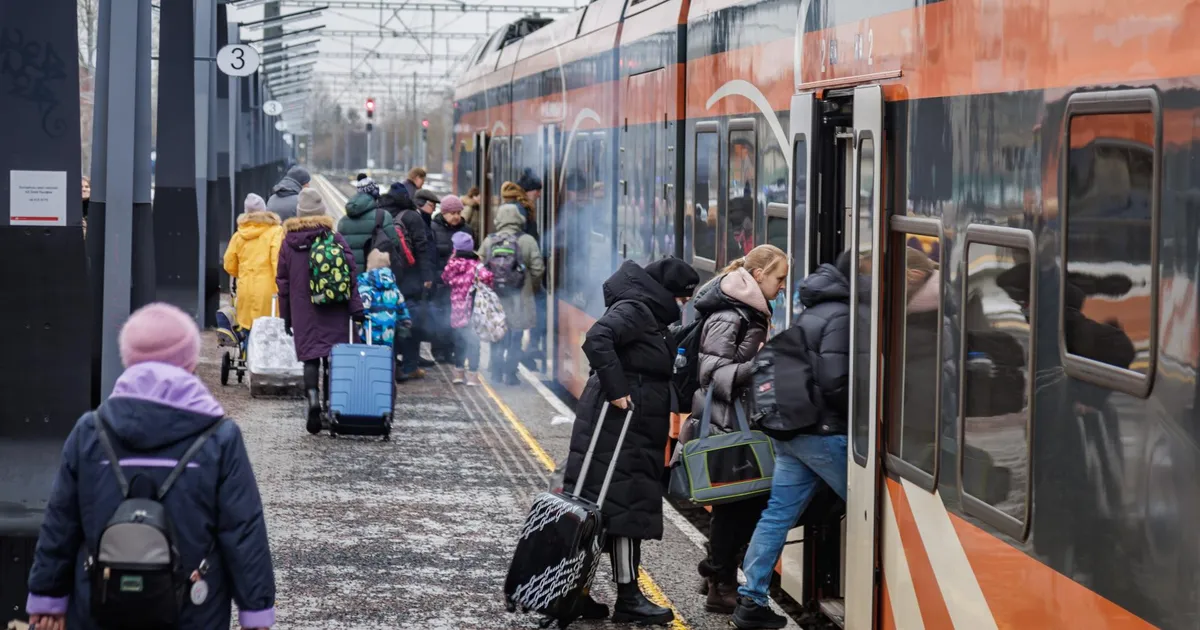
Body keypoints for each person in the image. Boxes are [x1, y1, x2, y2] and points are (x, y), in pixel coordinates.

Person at [25, 303, 276, 630]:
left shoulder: (91, 431)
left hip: (99, 608)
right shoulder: (219, 438)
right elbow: (243, 530)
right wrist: (255, 611)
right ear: (190, 361)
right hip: (192, 611)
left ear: (128, 358)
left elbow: (61, 523)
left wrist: (48, 597)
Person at [560, 257, 699, 624]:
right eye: (683, 298)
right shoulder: (637, 309)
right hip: (620, 423)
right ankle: (629, 597)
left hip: (628, 423)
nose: (683, 305)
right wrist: (618, 390)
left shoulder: (644, 310)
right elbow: (598, 339)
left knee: (605, 508)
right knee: (624, 508)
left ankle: (577, 592)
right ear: (670, 293)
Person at [732, 252, 854, 630]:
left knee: (777, 516)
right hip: (822, 433)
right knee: (875, 512)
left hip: (793, 432)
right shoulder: (843, 315)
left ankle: (750, 600)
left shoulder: (814, 309)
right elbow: (836, 382)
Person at [687, 244, 787, 613]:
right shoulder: (732, 316)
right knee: (738, 503)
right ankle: (720, 582)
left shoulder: (751, 310)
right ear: (758, 276)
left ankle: (717, 569)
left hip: (736, 419)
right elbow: (711, 373)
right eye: (779, 278)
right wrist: (764, 365)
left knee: (743, 502)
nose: (782, 286)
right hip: (725, 423)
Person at [276, 188, 364, 434]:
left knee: (311, 358)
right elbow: (351, 276)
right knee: (334, 358)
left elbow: (282, 283)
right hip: (334, 307)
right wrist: (356, 309)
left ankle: (313, 400)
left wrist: (287, 317)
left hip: (303, 310)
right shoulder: (334, 238)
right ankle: (331, 407)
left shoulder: (288, 243)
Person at [479, 202, 545, 385]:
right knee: (516, 336)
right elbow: (538, 269)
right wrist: (531, 287)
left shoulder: (490, 240)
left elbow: (479, 267)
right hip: (519, 299)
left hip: (495, 299)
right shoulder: (527, 240)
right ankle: (511, 374)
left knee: (497, 334)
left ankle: (496, 371)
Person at [380, 182, 435, 378]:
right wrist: (427, 276)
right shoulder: (412, 216)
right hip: (410, 277)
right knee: (412, 321)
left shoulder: (381, 213)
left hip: (387, 274)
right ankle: (410, 366)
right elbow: (422, 248)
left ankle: (392, 365)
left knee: (388, 321)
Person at [222, 193, 283, 330]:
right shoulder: (275, 232)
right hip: (268, 292)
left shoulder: (239, 235)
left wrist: (243, 273)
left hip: (245, 290)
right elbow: (277, 263)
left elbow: (229, 264)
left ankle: (248, 351)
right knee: (266, 333)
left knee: (248, 329)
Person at [440, 231, 491, 385]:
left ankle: (458, 374)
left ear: (455, 249)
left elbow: (444, 278)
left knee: (459, 341)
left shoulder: (452, 265)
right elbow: (488, 277)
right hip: (474, 311)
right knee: (474, 342)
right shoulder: (476, 265)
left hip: (457, 310)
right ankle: (473, 376)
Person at [430, 195, 474, 363]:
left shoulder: (467, 230)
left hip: (461, 285)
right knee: (441, 316)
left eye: (458, 212)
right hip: (441, 281)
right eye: (452, 213)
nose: (456, 216)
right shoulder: (433, 228)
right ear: (444, 213)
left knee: (458, 317)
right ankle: (439, 350)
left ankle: (454, 350)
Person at [357, 249, 411, 347]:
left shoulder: (364, 283)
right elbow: (401, 305)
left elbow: (362, 305)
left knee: (368, 354)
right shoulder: (392, 285)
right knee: (385, 354)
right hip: (388, 330)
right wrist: (405, 320)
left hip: (368, 329)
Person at [337, 190, 400, 270]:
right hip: (375, 274)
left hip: (351, 274)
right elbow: (395, 243)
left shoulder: (342, 222)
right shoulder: (383, 216)